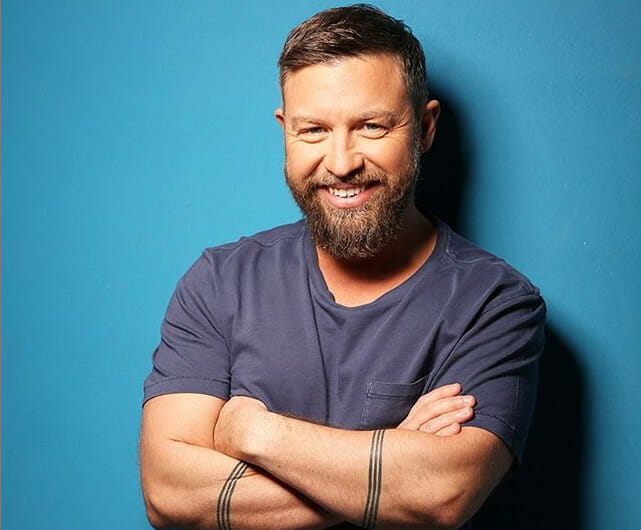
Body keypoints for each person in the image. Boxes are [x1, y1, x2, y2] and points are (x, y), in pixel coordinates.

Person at [139, 4, 545, 529]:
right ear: (284, 130)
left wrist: (255, 433)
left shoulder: (494, 302)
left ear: (424, 129)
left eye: (371, 126)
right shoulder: (220, 282)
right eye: (313, 130)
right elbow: (169, 493)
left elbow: (441, 495)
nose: (340, 162)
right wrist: (390, 461)